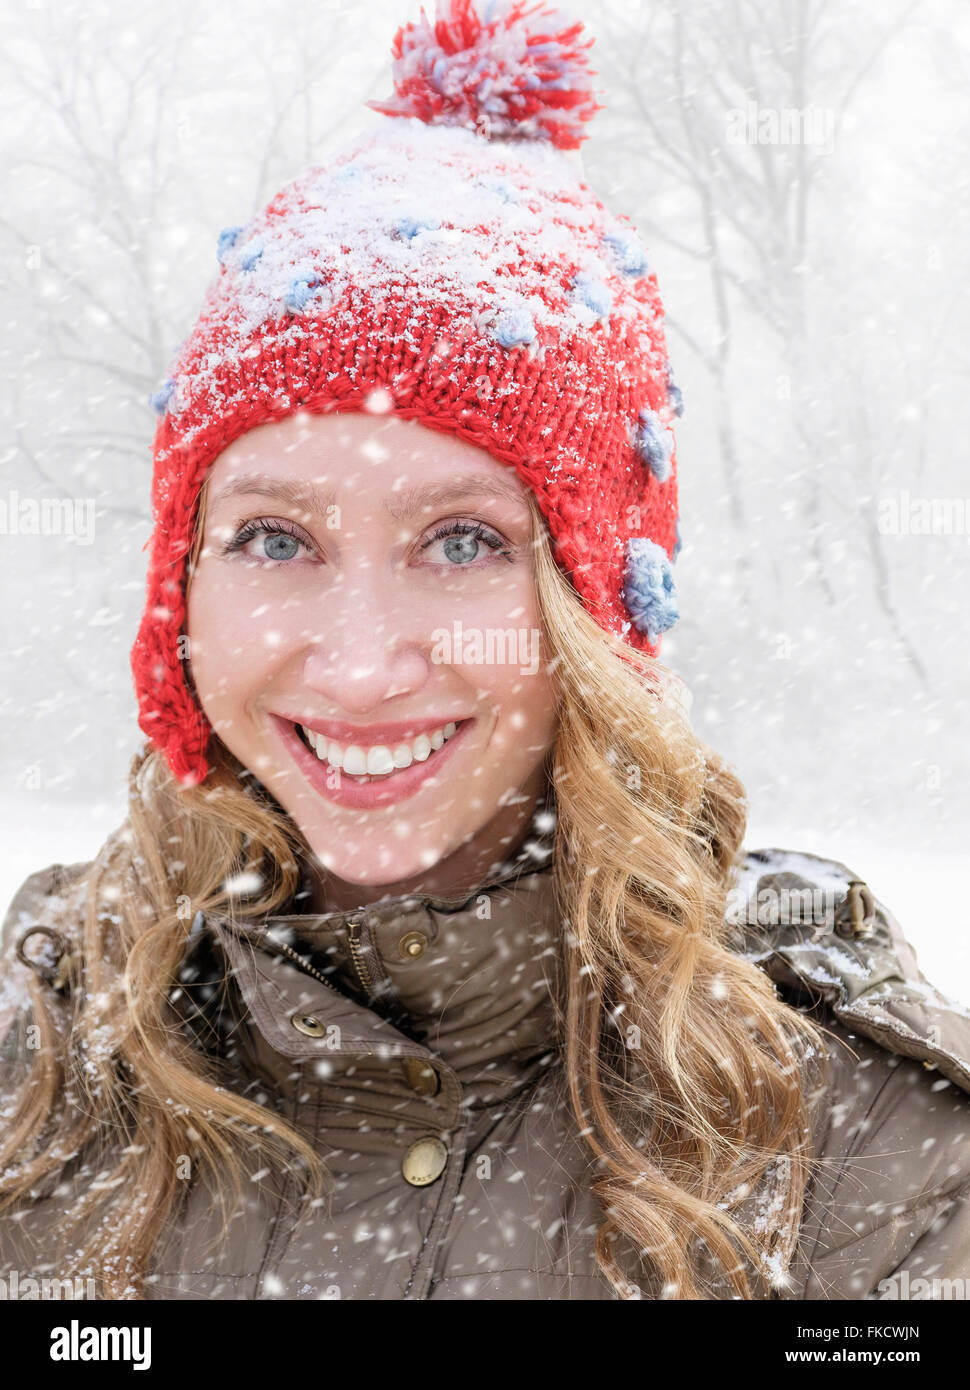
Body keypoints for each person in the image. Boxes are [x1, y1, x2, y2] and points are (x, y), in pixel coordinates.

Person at [2, 0, 969, 1303]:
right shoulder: (40, 1068)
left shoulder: (851, 1145)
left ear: (594, 601)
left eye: (459, 542)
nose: (356, 668)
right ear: (183, 583)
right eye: (276, 537)